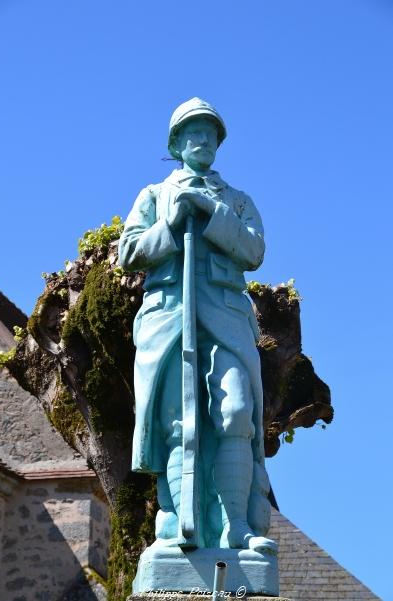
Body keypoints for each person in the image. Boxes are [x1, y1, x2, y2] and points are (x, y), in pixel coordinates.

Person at [118, 98, 276, 553]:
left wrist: (209, 212)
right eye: (193, 132)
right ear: (176, 143)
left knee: (236, 413)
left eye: (210, 133)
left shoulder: (236, 200)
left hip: (224, 318)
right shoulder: (153, 195)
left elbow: (254, 250)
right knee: (176, 423)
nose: (203, 140)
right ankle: (177, 522)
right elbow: (128, 253)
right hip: (168, 319)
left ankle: (236, 527)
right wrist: (170, 223)